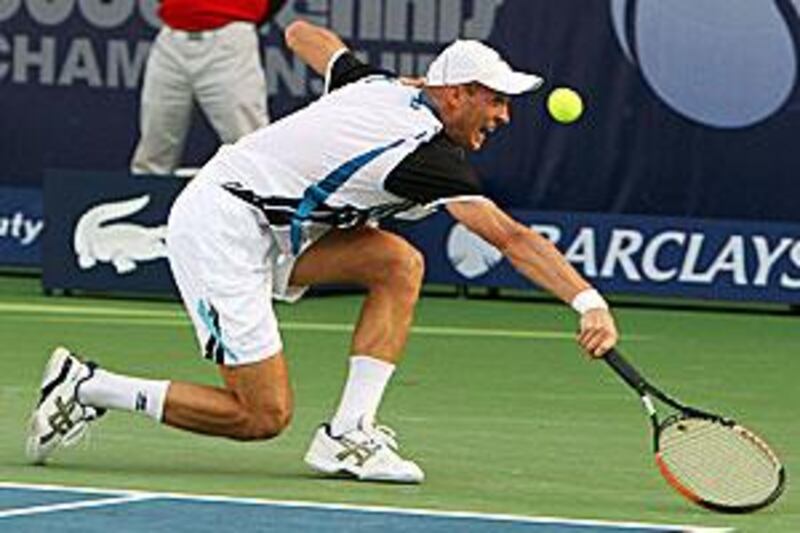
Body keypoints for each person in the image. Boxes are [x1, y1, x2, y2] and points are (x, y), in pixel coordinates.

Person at [28, 20, 618, 484]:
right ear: (458, 95)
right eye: (496, 101)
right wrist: (587, 302)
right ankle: (87, 386)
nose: (504, 115)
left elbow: (300, 35)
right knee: (261, 416)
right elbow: (511, 239)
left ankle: (348, 433)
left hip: (275, 230)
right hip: (222, 228)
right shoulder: (424, 156)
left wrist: (392, 82)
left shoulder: (376, 87)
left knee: (398, 263)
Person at [130, 0, 287, 175]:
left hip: (229, 38)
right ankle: (149, 197)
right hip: (171, 37)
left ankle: (262, 198)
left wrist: (242, 13)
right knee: (154, 148)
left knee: (247, 143)